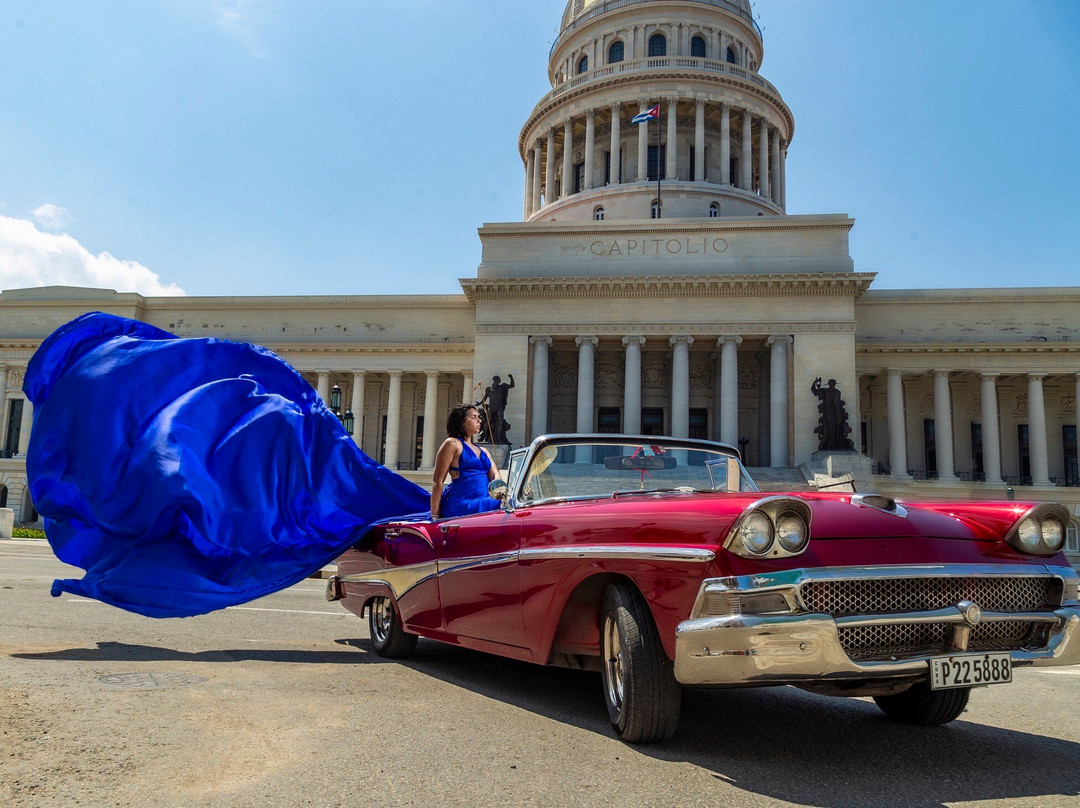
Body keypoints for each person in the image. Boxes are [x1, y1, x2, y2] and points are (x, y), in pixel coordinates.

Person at [431, 404, 503, 518]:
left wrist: (501, 492)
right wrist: (434, 515)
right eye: (473, 417)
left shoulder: (483, 451)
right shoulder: (452, 444)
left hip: (486, 499)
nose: (479, 420)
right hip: (463, 503)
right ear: (461, 421)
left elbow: (495, 476)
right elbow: (438, 481)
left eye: (478, 417)